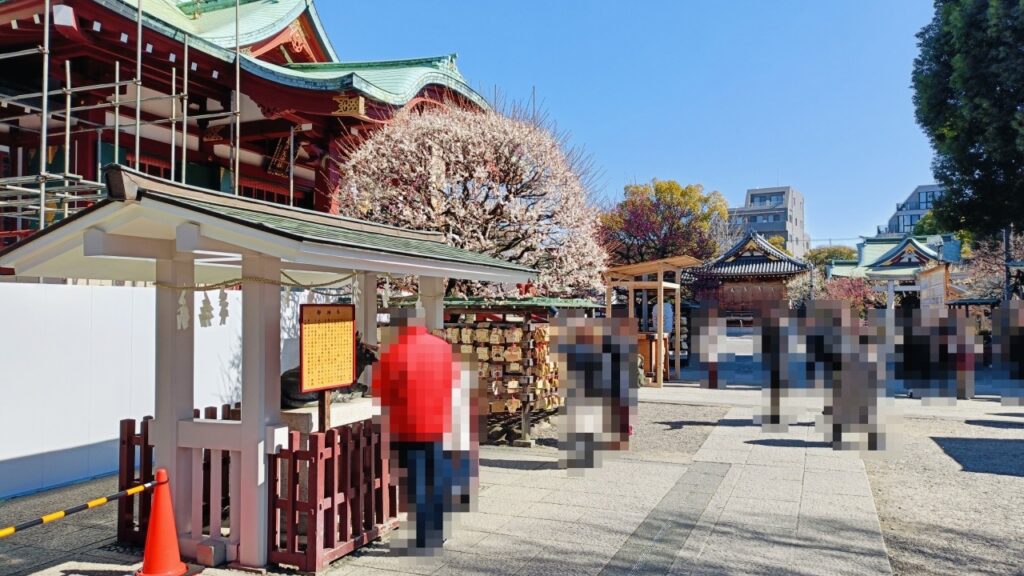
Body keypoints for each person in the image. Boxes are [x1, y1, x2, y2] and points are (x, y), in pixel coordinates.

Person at [373, 310, 456, 554]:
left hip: (408, 427)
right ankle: (438, 533)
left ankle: (422, 539)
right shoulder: (443, 347)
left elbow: (383, 394)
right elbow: (452, 384)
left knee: (416, 483)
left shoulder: (392, 353)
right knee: (436, 480)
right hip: (439, 424)